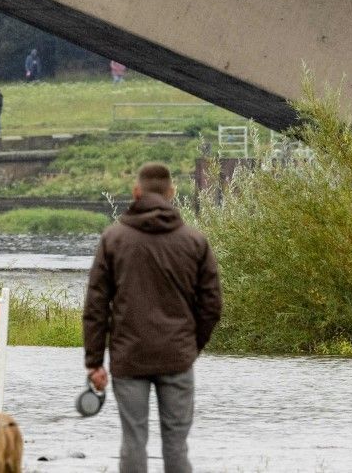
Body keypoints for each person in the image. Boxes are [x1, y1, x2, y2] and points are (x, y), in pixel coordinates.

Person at [82, 162, 222, 473]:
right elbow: (212, 305)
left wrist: (94, 361)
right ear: (172, 193)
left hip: (129, 357)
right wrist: (190, 346)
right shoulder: (194, 241)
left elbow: (96, 305)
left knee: (133, 441)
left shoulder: (114, 239)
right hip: (177, 355)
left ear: (136, 192)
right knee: (176, 444)